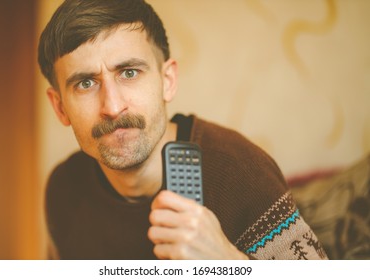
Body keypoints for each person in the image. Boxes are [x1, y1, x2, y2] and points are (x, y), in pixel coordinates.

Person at [38, 0, 328, 260]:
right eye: (85, 83)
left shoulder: (241, 174)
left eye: (129, 73)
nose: (112, 107)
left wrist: (228, 264)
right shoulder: (64, 189)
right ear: (60, 107)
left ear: (167, 81)